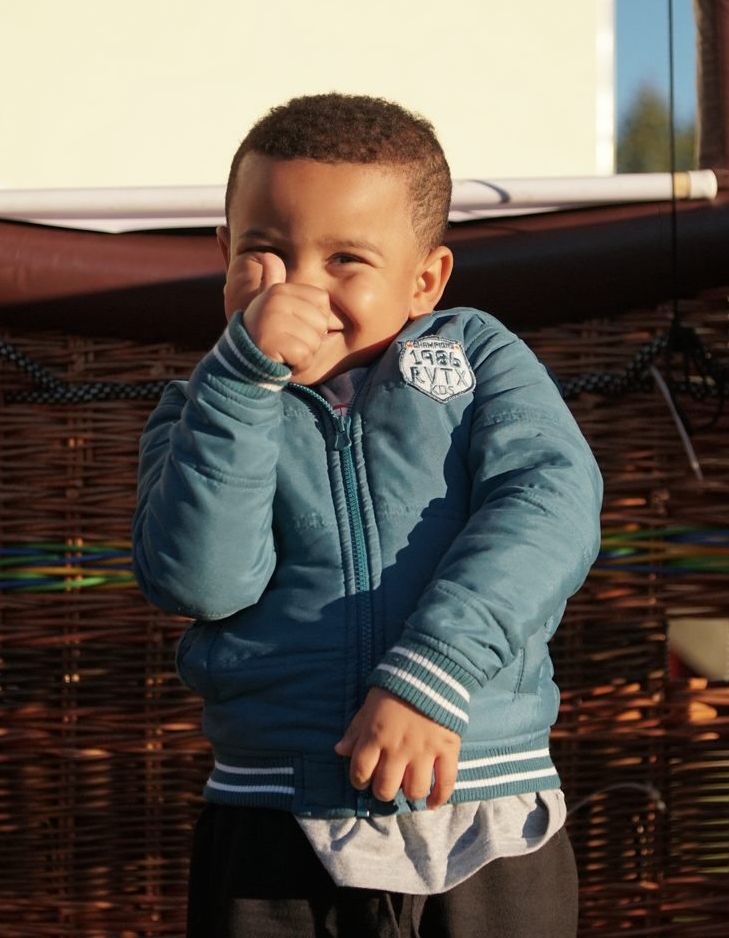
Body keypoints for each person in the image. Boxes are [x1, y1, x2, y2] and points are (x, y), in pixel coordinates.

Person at [133, 93, 601, 937]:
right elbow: (203, 582)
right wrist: (240, 383)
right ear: (223, 255)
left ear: (424, 280)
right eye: (265, 254)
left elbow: (550, 506)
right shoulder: (198, 410)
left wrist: (432, 675)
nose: (300, 289)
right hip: (274, 819)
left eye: (345, 258)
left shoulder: (476, 360)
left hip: (485, 806)